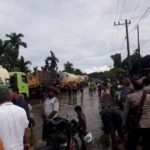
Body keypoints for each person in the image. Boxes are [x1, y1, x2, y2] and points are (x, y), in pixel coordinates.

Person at [123, 79, 150, 150]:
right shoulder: (149, 96)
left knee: (132, 145)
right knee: (146, 145)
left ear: (134, 87)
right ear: (143, 86)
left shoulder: (130, 97)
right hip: (148, 125)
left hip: (136, 125)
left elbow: (126, 113)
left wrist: (124, 126)